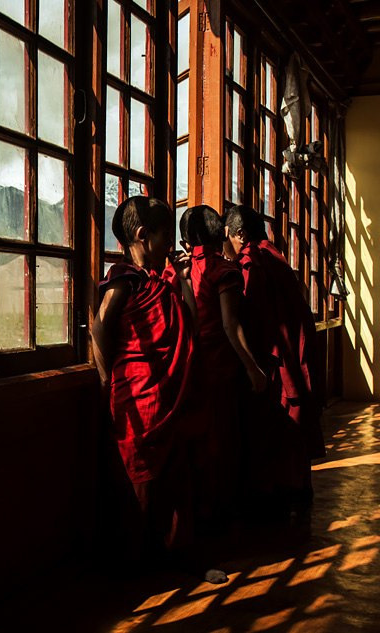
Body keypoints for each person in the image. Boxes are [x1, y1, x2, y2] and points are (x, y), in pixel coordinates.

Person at [91, 195, 204, 572]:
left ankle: (168, 555)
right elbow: (99, 327)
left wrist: (184, 278)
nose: (170, 246)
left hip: (165, 395)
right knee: (140, 485)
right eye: (163, 237)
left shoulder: (161, 281)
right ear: (142, 236)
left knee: (171, 479)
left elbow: (190, 321)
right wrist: (108, 381)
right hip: (136, 397)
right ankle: (136, 564)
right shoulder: (123, 280)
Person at [222, 204, 325, 520]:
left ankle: (279, 496)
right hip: (293, 354)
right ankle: (296, 491)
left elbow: (252, 317)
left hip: (276, 360)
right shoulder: (275, 256)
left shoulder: (253, 262)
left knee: (277, 429)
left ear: (239, 234)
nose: (226, 245)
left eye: (227, 237)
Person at [179, 205, 266, 529]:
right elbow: (231, 325)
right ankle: (221, 512)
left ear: (187, 239)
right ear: (219, 233)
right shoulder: (222, 270)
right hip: (220, 368)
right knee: (223, 443)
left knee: (200, 444)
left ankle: (200, 512)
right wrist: (253, 368)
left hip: (191, 368)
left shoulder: (182, 270)